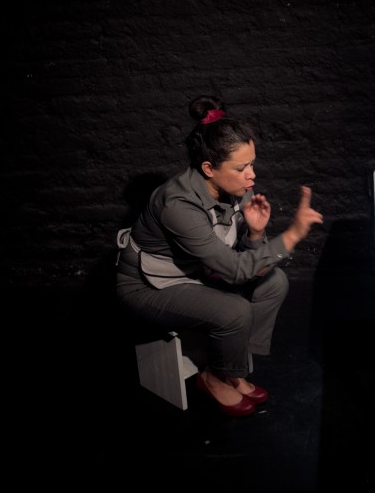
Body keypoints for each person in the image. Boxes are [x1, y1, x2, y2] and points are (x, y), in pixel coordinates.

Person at [116, 95, 324, 417]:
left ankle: (232, 369)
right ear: (209, 168)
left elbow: (247, 263)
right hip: (148, 286)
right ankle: (213, 376)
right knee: (234, 311)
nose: (252, 175)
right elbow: (235, 271)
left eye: (252, 163)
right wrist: (293, 234)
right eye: (241, 168)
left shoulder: (238, 189)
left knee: (274, 283)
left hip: (195, 273)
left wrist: (255, 234)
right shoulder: (177, 204)